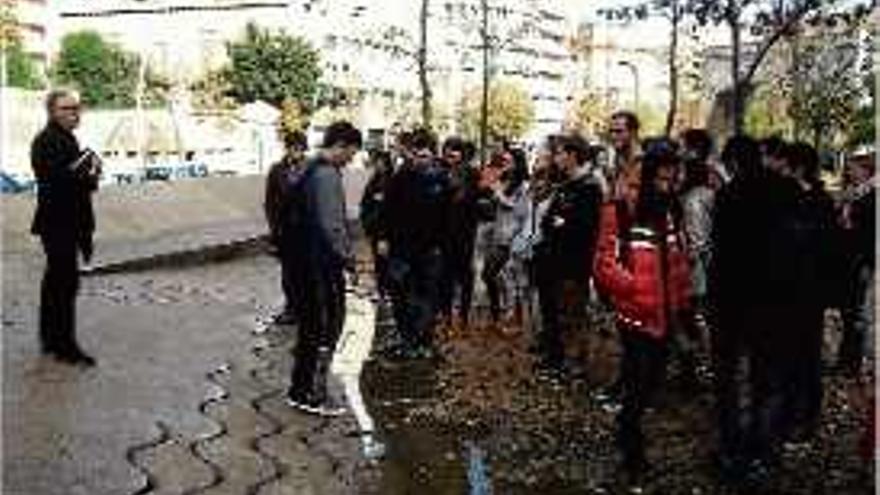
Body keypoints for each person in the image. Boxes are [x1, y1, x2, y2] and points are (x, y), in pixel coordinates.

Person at [593, 138, 692, 489]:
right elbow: (604, 264)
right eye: (660, 180)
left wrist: (682, 301)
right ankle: (631, 444)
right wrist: (634, 289)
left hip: (666, 314)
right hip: (636, 316)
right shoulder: (619, 211)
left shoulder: (672, 211)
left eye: (671, 180)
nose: (666, 186)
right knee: (638, 381)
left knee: (652, 381)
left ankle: (627, 427)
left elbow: (678, 262)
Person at [708, 135, 803, 483]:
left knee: (728, 379)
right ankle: (765, 454)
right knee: (768, 381)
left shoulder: (729, 196)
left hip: (733, 304)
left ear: (732, 162)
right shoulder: (788, 190)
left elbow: (721, 256)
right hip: (777, 303)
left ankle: (733, 450)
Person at [285, 121, 362, 416]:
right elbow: (332, 226)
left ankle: (299, 388)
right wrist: (349, 260)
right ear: (341, 145)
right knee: (326, 327)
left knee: (310, 328)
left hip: (302, 262)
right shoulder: (326, 175)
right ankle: (311, 394)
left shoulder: (307, 169)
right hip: (320, 265)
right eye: (351, 154)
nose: (351, 160)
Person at [31, 89, 100, 367]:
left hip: (63, 222)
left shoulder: (66, 139)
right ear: (52, 112)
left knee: (56, 284)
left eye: (76, 108)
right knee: (63, 285)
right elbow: (59, 182)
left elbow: (76, 181)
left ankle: (51, 339)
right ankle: (65, 346)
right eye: (66, 109)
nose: (74, 113)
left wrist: (88, 174)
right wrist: (88, 174)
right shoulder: (46, 141)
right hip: (58, 223)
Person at [533, 134, 603, 374]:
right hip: (553, 260)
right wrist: (558, 222)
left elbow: (582, 228)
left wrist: (562, 223)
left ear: (573, 156)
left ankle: (575, 362)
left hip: (573, 264)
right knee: (555, 311)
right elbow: (548, 221)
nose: (556, 158)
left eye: (560, 153)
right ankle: (556, 357)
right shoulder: (565, 186)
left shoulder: (589, 187)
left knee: (572, 313)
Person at [382, 128, 452, 359]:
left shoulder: (442, 179)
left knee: (428, 297)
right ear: (412, 154)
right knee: (402, 296)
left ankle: (424, 339)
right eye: (418, 154)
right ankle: (407, 339)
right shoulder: (400, 177)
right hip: (402, 248)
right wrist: (384, 238)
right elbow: (387, 210)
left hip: (430, 250)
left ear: (433, 155)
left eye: (427, 155)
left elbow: (447, 216)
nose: (422, 159)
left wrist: (443, 245)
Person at [439, 136, 488, 325]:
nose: (451, 154)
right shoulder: (440, 172)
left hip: (466, 231)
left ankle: (464, 315)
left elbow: (483, 196)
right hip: (444, 232)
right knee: (446, 275)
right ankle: (446, 314)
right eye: (448, 149)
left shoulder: (472, 173)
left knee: (465, 273)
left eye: (455, 150)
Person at [479, 147, 530, 324]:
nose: (504, 165)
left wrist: (498, 194)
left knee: (497, 275)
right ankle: (498, 312)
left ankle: (513, 316)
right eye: (503, 161)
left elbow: (520, 210)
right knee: (490, 275)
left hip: (511, 238)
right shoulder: (503, 180)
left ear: (517, 164)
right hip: (497, 234)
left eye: (508, 162)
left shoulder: (523, 186)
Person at [836, 151, 876, 376]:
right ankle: (847, 359)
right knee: (850, 312)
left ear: (865, 170)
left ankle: (852, 363)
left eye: (852, 168)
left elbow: (865, 234)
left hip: (860, 262)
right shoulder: (856, 194)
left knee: (857, 313)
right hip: (851, 260)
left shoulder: (869, 197)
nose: (849, 172)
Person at [264, 130, 308, 324]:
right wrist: (274, 229)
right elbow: (270, 202)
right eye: (293, 148)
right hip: (285, 231)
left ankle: (307, 308)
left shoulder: (311, 168)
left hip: (307, 230)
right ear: (287, 148)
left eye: (300, 148)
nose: (296, 152)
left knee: (307, 272)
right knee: (288, 273)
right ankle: (291, 308)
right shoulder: (276, 170)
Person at [360, 150, 395, 299]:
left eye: (380, 162)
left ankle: (386, 290)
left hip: (385, 229)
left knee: (385, 261)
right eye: (377, 162)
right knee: (378, 261)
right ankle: (381, 289)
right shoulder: (374, 179)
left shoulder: (392, 180)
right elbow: (365, 201)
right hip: (374, 227)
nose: (378, 165)